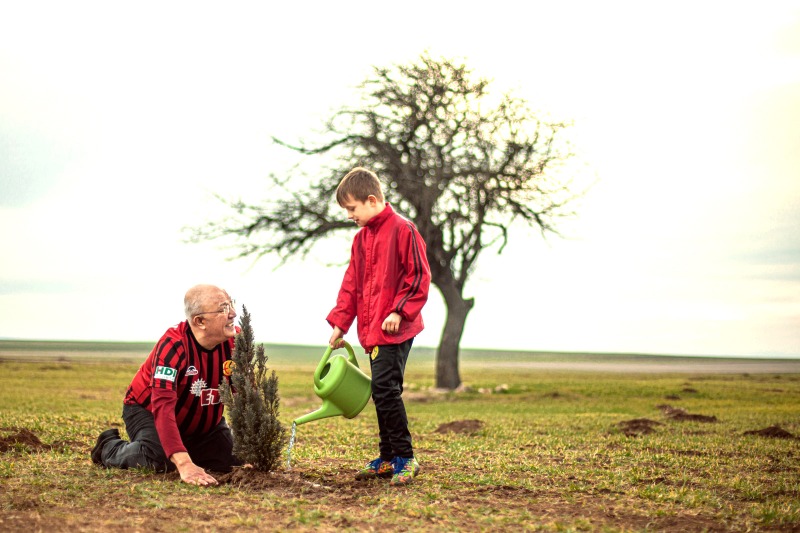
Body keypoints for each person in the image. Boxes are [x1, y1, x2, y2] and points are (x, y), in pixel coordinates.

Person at [327, 167, 431, 486]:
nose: (349, 215)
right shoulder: (361, 241)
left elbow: (418, 276)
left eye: (352, 208)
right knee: (381, 390)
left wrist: (399, 311)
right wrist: (340, 323)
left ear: (371, 200)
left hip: (396, 330)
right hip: (371, 333)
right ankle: (387, 459)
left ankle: (404, 457)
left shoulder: (404, 230)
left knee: (385, 389)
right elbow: (351, 285)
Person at [91, 284, 242, 486]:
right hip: (149, 411)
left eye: (231, 304)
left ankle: (184, 447)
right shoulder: (173, 345)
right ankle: (109, 448)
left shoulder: (236, 342)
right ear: (200, 321)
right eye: (223, 308)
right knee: (161, 460)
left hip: (204, 419)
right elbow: (162, 406)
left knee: (234, 461)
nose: (233, 313)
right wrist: (184, 463)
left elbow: (245, 396)